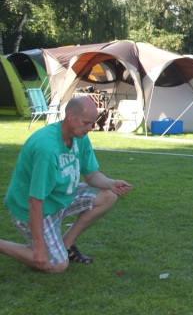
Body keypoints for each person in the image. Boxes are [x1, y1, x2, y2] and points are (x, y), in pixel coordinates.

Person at [0, 96, 132, 273]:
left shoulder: (80, 137)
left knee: (108, 195)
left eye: (93, 123)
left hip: (59, 197)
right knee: (57, 265)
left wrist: (111, 183)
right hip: (32, 207)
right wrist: (39, 248)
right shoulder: (47, 148)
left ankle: (66, 244)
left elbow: (92, 175)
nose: (91, 128)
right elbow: (35, 201)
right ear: (71, 116)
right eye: (87, 123)